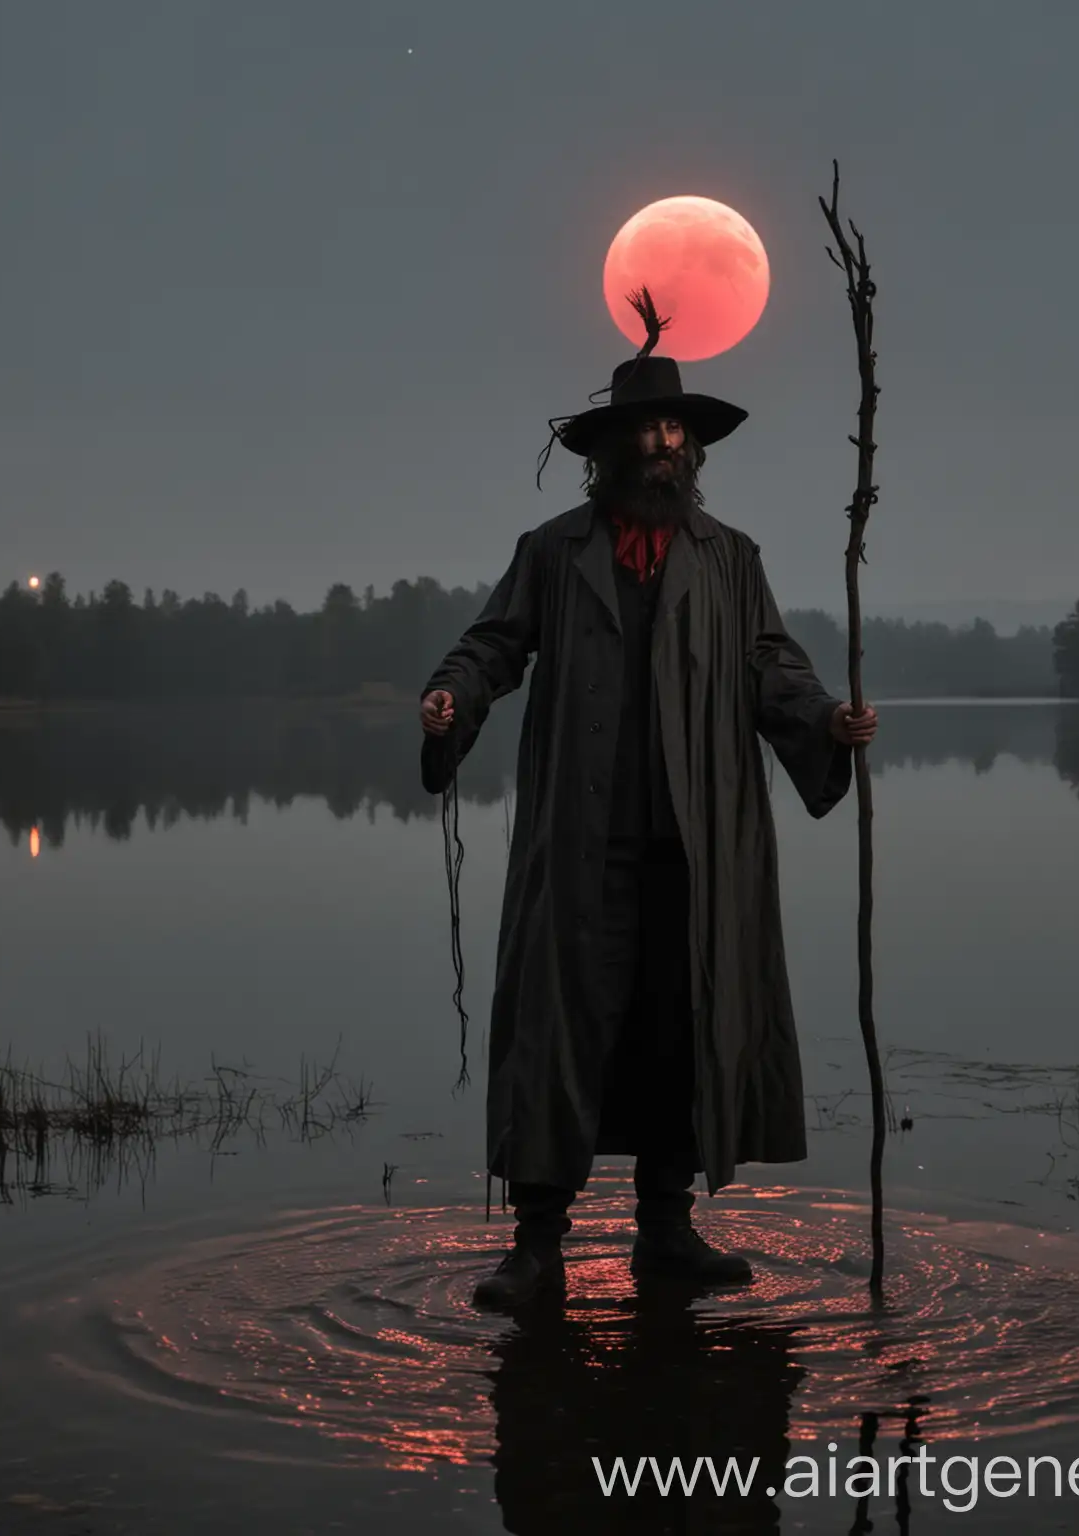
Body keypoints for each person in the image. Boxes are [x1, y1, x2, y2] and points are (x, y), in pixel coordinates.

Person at [419, 350, 878, 1310]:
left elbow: (772, 669)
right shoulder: (552, 552)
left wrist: (828, 721)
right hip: (578, 843)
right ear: (613, 449)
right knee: (560, 1029)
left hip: (694, 843)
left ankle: (666, 1235)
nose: (665, 444)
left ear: (692, 448)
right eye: (648, 429)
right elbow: (493, 643)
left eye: (678, 431)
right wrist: (450, 697)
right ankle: (537, 1247)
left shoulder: (727, 557)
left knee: (681, 1026)